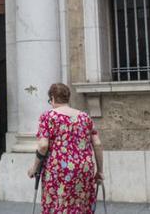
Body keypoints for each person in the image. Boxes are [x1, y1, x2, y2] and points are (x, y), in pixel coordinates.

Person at [27, 83, 103, 214]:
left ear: (53, 98)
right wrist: (100, 171)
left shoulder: (48, 117)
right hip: (84, 169)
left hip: (59, 171)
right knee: (80, 207)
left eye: (50, 100)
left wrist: (34, 168)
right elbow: (97, 144)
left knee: (58, 207)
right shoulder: (84, 117)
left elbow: (43, 145)